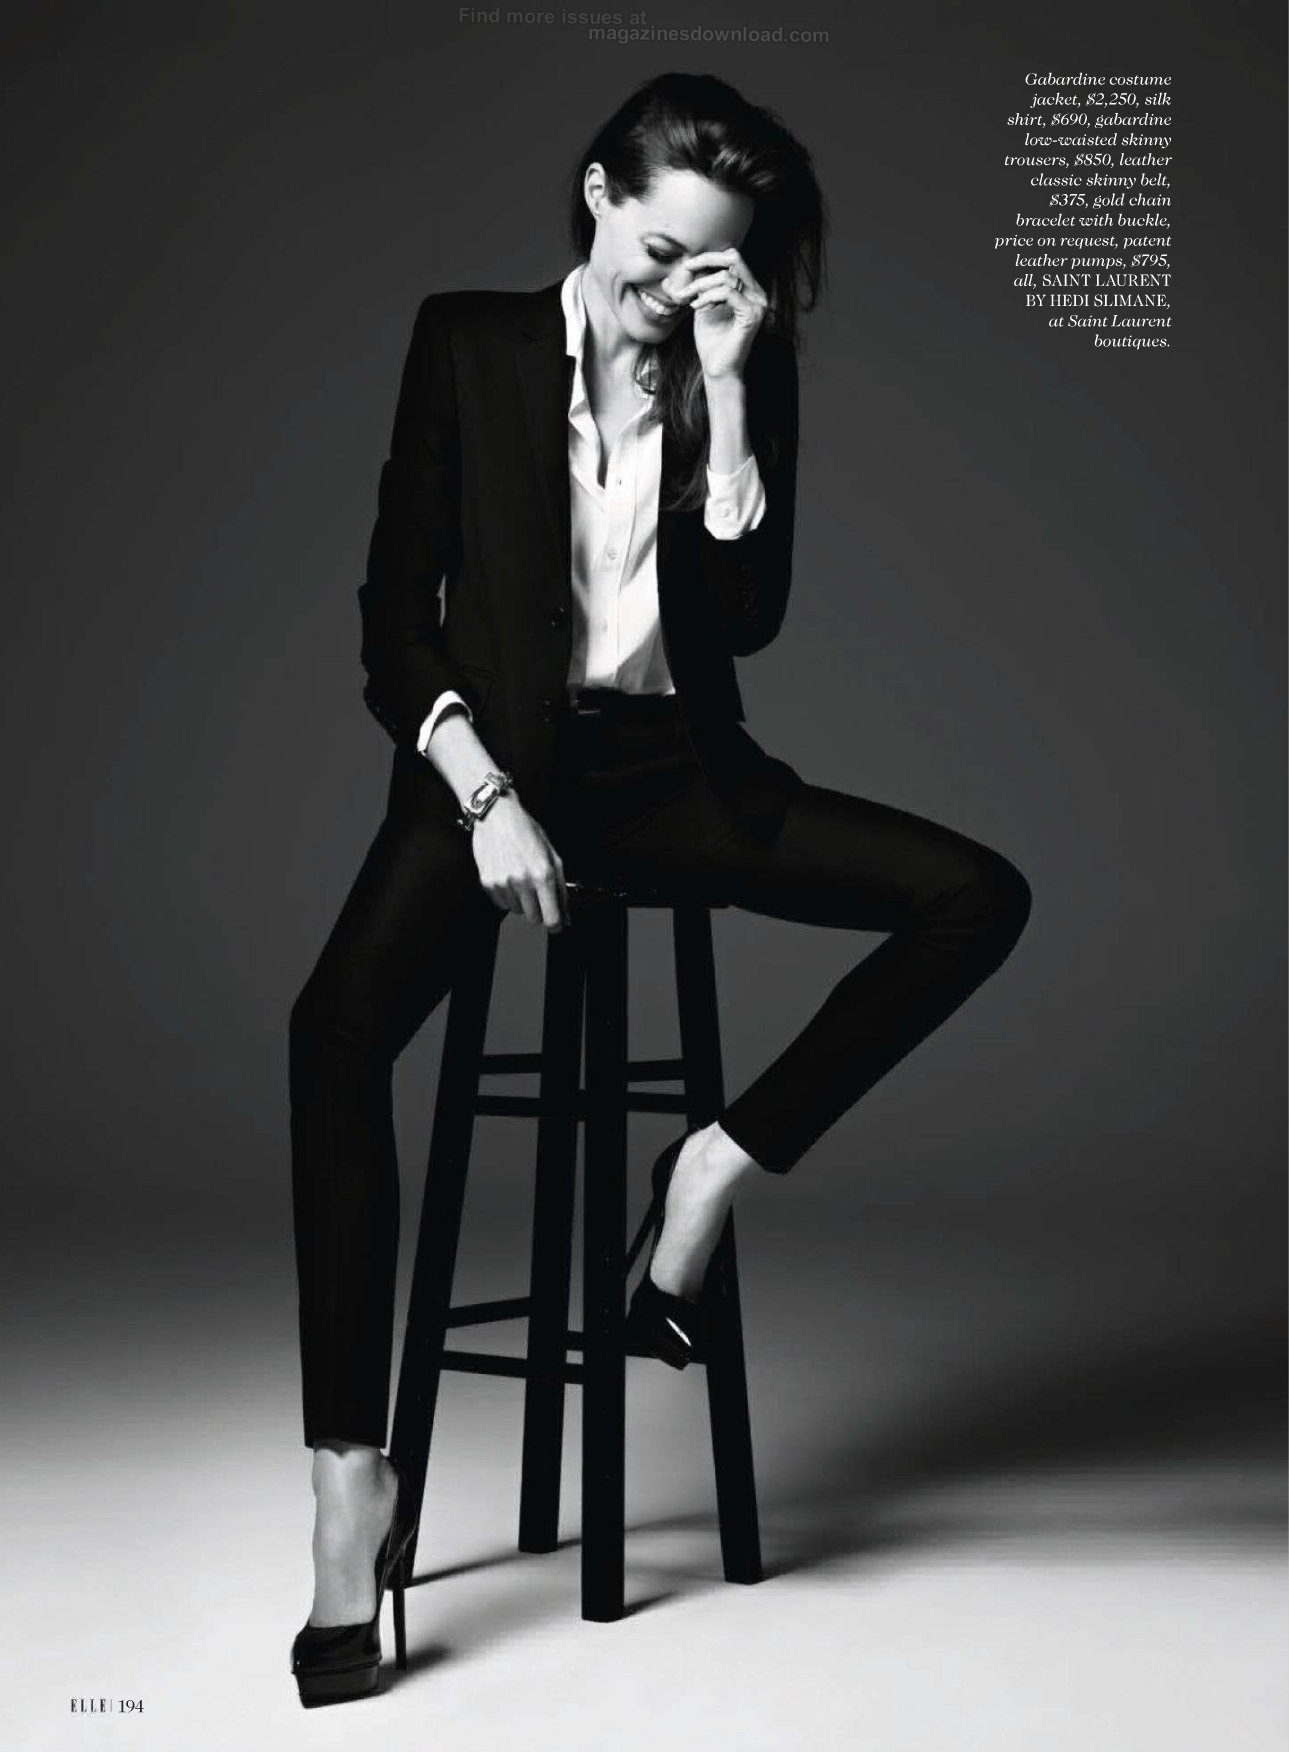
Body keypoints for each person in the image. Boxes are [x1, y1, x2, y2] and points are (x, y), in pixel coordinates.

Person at [288, 70, 1032, 1705]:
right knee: (331, 1036)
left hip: (670, 778)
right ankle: (349, 1484)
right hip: (489, 772)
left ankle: (701, 1174)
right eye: (657, 255)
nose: (675, 290)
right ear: (597, 198)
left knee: (975, 895)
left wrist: (734, 393)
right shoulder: (468, 345)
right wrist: (483, 794)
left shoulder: (731, 363)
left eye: (712, 268)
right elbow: (392, 623)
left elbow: (746, 620)